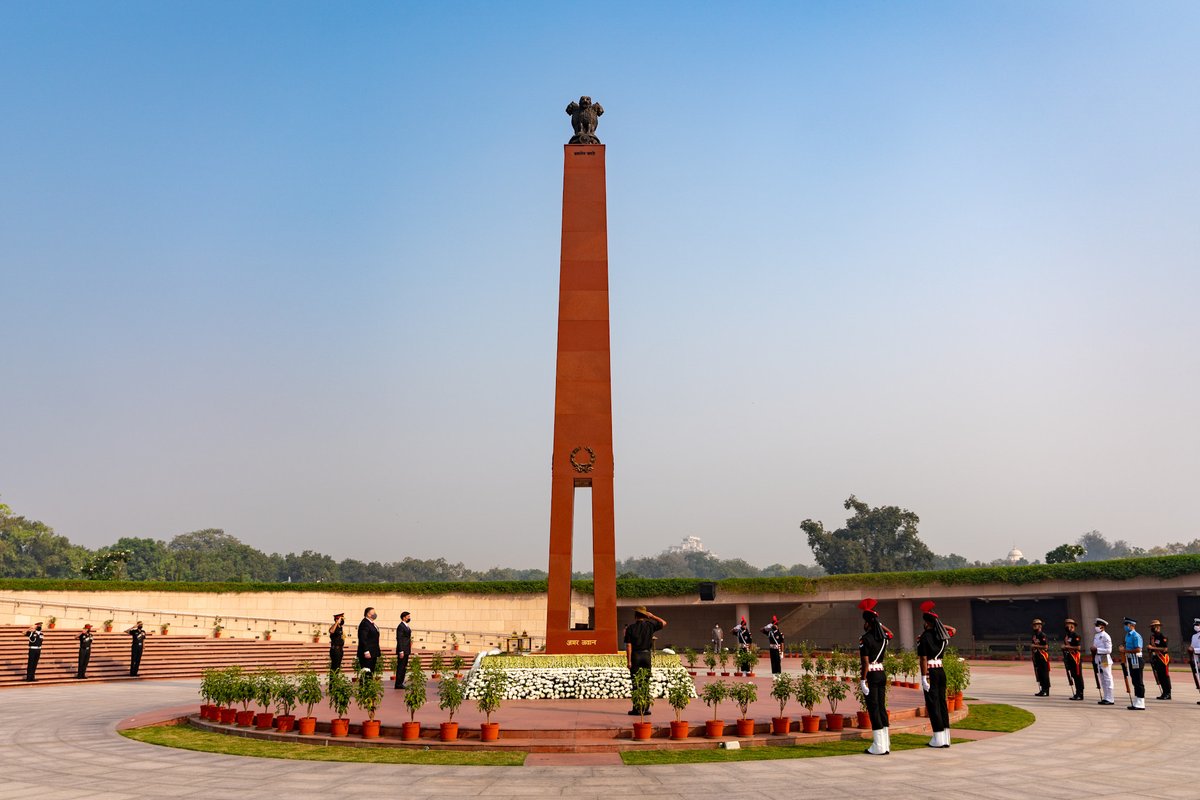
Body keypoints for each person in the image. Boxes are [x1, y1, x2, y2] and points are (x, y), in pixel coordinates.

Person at [858, 598, 892, 755]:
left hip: (871, 675)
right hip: (881, 673)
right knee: (881, 707)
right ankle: (885, 743)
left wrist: (862, 680)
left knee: (874, 709)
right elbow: (890, 633)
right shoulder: (883, 638)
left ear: (867, 623)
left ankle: (878, 746)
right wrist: (878, 622)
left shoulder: (865, 639)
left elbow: (865, 663)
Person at [917, 601, 953, 748]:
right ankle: (945, 737)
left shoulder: (924, 637)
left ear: (927, 622)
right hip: (941, 671)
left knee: (933, 704)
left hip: (931, 672)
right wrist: (939, 624)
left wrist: (924, 677)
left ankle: (938, 738)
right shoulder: (943, 636)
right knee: (942, 703)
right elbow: (953, 630)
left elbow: (923, 658)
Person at [624, 606, 666, 715]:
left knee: (636, 682)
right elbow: (664, 622)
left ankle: (637, 708)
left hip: (636, 656)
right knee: (646, 682)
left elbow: (629, 646)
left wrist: (629, 662)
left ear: (635, 616)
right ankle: (646, 708)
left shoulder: (630, 628)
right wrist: (653, 616)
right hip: (647, 655)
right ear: (645, 615)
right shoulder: (650, 625)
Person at [1119, 617, 1145, 710]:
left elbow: (1138, 649)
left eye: (1126, 625)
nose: (1125, 626)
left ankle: (1141, 702)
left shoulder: (1136, 635)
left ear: (1131, 625)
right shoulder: (1127, 635)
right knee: (1134, 680)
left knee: (1138, 681)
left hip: (1137, 659)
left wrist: (1125, 650)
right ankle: (1137, 700)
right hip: (1130, 659)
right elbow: (1126, 645)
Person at [1147, 619, 1172, 700]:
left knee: (1165, 676)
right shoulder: (1152, 637)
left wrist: (1153, 647)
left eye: (1153, 626)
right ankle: (1164, 693)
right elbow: (1151, 648)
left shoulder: (1162, 637)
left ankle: (1168, 693)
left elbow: (1165, 649)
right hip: (1156, 658)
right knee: (1159, 676)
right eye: (1152, 627)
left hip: (1163, 659)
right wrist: (1150, 652)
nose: (1152, 628)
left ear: (1158, 627)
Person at [1092, 617, 1115, 705]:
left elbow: (1109, 650)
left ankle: (1110, 698)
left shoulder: (1106, 636)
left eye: (1098, 625)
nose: (1096, 627)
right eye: (1096, 625)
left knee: (1107, 677)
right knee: (1102, 678)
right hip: (1098, 658)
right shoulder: (1096, 635)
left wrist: (1097, 649)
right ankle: (1106, 697)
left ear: (1102, 626)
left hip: (1104, 658)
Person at [1062, 618, 1084, 701]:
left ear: (1072, 626)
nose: (1066, 626)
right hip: (1069, 658)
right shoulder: (1067, 636)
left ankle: (1080, 693)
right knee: (1073, 676)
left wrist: (1067, 647)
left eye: (1068, 625)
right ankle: (1077, 692)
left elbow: (1078, 647)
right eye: (1066, 625)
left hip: (1075, 658)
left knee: (1078, 676)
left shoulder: (1076, 636)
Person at [357, 607, 380, 675]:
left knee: (371, 672)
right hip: (367, 652)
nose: (375, 614)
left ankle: (369, 685)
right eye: (373, 613)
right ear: (368, 614)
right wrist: (366, 651)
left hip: (373, 651)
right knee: (366, 672)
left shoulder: (371, 623)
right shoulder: (365, 623)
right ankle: (364, 685)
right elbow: (363, 638)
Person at [1030, 618, 1051, 696]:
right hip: (1037, 656)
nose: (1034, 627)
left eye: (1035, 625)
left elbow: (1045, 646)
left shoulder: (1042, 635)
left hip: (1043, 656)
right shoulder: (1034, 636)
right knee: (1039, 673)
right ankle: (1042, 689)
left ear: (1039, 626)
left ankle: (1046, 690)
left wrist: (1035, 646)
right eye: (1033, 625)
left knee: (1044, 674)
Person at [395, 611, 413, 689]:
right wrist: (401, 651)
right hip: (403, 650)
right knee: (401, 667)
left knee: (404, 667)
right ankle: (398, 684)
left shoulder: (406, 626)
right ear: (404, 617)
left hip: (406, 649)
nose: (409, 618)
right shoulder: (401, 626)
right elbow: (399, 639)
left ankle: (401, 683)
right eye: (408, 616)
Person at [1188, 617, 1200, 705]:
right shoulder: (1194, 636)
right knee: (1198, 678)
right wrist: (1190, 648)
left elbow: (1195, 649)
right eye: (1195, 625)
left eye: (1198, 625)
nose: (1196, 626)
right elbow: (1192, 646)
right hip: (1196, 660)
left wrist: (1194, 650)